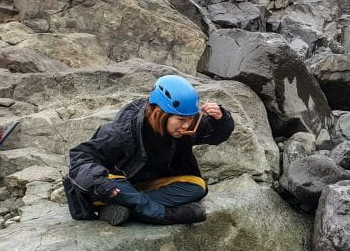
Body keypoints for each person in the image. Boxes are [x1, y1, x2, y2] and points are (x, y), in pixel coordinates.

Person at [63, 75, 234, 226]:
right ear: (159, 113)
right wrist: (101, 183)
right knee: (111, 182)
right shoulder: (121, 132)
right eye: (181, 119)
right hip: (112, 188)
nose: (186, 125)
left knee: (197, 186)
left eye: (190, 119)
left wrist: (221, 120)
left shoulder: (183, 127)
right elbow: (80, 157)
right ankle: (160, 214)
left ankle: (131, 207)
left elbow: (215, 135)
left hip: (142, 187)